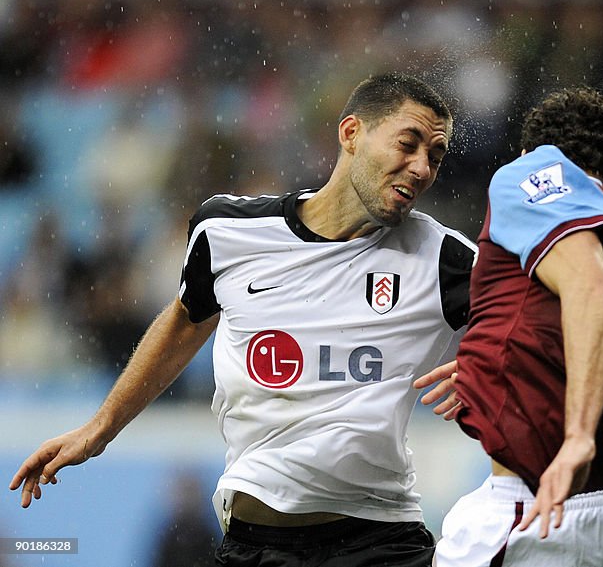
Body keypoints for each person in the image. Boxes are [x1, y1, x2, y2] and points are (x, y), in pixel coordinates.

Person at [9, 73, 476, 567]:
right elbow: (187, 321)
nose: (422, 167)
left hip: (380, 544)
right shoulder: (229, 232)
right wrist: (100, 427)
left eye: (436, 157)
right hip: (253, 545)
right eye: (408, 144)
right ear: (351, 133)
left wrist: (490, 359)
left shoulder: (443, 258)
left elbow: (544, 322)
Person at [418, 87, 603, 567]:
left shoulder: (531, 173)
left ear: (536, 150)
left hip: (542, 500)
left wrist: (577, 438)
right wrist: (517, 367)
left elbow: (593, 291)